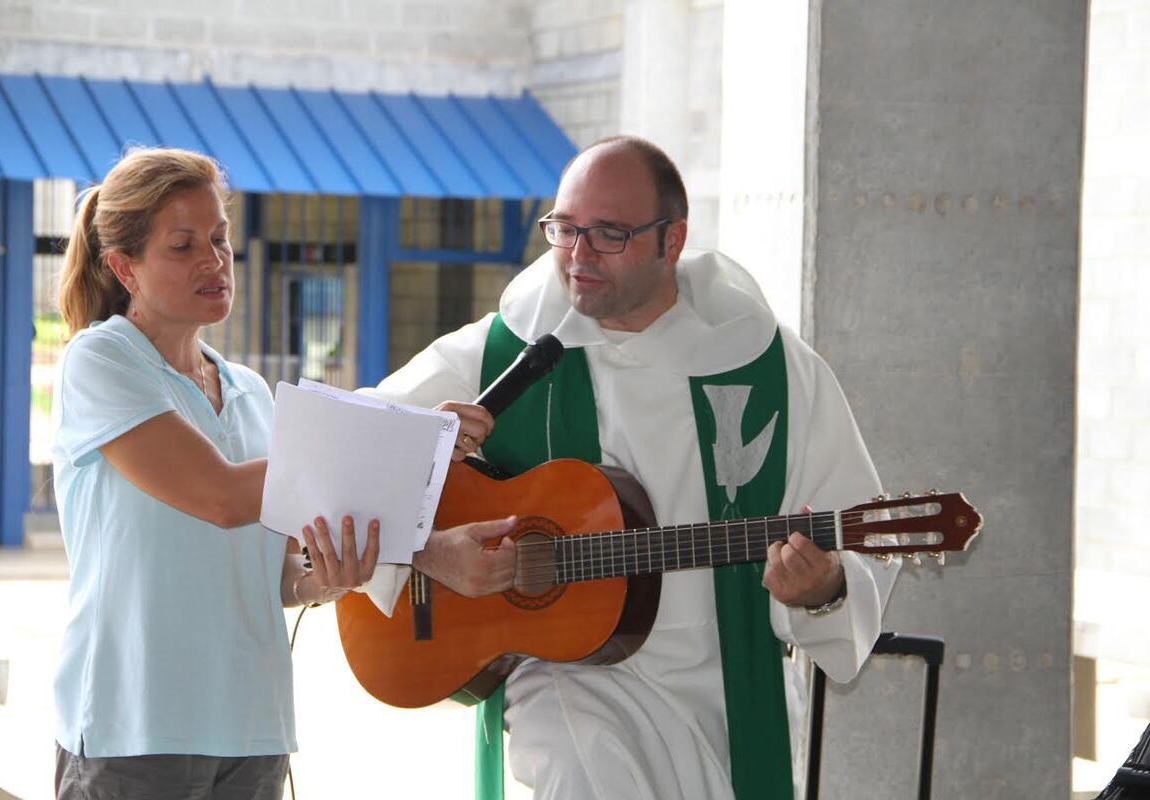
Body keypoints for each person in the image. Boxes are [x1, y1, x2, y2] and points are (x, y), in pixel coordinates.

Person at [361, 135, 901, 800]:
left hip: (722, 684)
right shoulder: (503, 350)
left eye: (608, 234)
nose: (578, 255)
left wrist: (824, 590)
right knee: (581, 764)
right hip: (562, 675)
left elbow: (857, 535)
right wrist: (425, 547)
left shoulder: (766, 367)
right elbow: (338, 458)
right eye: (564, 228)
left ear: (671, 240)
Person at [49, 147, 512, 800]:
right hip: (135, 727)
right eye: (183, 246)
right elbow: (220, 497)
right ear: (124, 267)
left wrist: (330, 578)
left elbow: (276, 573)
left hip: (252, 730)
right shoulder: (100, 360)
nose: (213, 261)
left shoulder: (249, 392)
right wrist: (413, 443)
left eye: (219, 239)